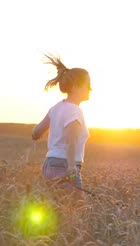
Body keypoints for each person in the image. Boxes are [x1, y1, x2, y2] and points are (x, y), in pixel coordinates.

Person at [32, 54, 91, 190]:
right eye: (88, 85)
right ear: (76, 86)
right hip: (65, 165)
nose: (90, 89)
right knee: (78, 207)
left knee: (56, 206)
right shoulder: (74, 111)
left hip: (49, 164)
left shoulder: (56, 108)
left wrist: (37, 136)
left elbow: (36, 131)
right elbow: (71, 140)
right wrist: (71, 166)